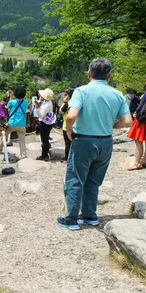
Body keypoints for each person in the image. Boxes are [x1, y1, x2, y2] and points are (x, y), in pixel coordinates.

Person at [58, 58, 132, 230]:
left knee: (75, 179)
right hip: (105, 142)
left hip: (84, 140)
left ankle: (71, 219)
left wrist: (69, 131)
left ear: (88, 73)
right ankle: (90, 215)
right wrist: (112, 126)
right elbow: (128, 121)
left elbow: (71, 116)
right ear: (110, 76)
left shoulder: (81, 91)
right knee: (93, 181)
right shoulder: (117, 94)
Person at [0, 87, 28, 159]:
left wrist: (8, 97)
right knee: (22, 140)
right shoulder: (25, 102)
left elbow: (7, 106)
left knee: (4, 135)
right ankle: (23, 155)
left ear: (15, 94)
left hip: (12, 123)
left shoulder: (12, 102)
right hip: (22, 124)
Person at [35, 88, 54, 161]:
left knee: (44, 140)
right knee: (44, 139)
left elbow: (41, 115)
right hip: (46, 122)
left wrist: (37, 108)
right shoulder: (47, 102)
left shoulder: (47, 104)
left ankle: (44, 155)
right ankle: (44, 153)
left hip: (45, 123)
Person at [59, 88, 75, 162]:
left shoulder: (68, 103)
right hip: (75, 125)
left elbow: (61, 111)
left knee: (67, 143)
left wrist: (64, 102)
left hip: (66, 125)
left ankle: (67, 158)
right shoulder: (77, 103)